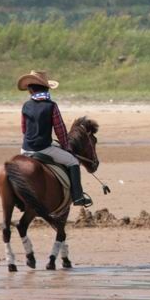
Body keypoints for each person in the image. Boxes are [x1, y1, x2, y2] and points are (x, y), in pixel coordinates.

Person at [17, 70, 90, 206]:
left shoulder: (26, 105)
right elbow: (60, 130)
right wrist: (66, 147)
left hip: (25, 149)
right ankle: (78, 197)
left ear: (30, 90)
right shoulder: (51, 106)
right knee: (73, 161)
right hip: (44, 148)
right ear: (47, 88)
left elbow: (24, 130)